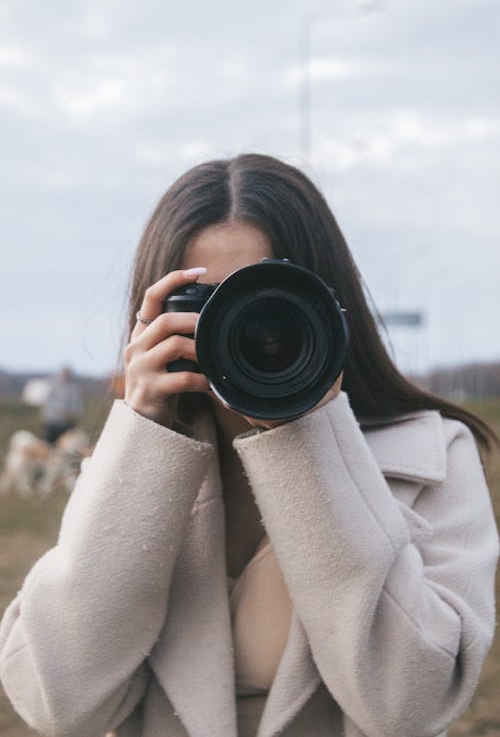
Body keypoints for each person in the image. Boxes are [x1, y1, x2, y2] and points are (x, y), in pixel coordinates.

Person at [0, 153, 498, 737]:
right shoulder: (135, 464)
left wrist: (307, 433)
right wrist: (142, 431)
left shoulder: (433, 456)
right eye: (208, 306)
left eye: (267, 299)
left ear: (328, 306)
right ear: (155, 316)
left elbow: (411, 705)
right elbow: (58, 702)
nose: (248, 330)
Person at [40, 365, 83, 444]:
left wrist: (73, 413)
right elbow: (48, 401)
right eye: (65, 373)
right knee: (50, 444)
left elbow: (76, 404)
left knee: (67, 445)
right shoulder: (53, 385)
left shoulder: (73, 387)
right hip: (53, 422)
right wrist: (60, 410)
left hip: (67, 423)